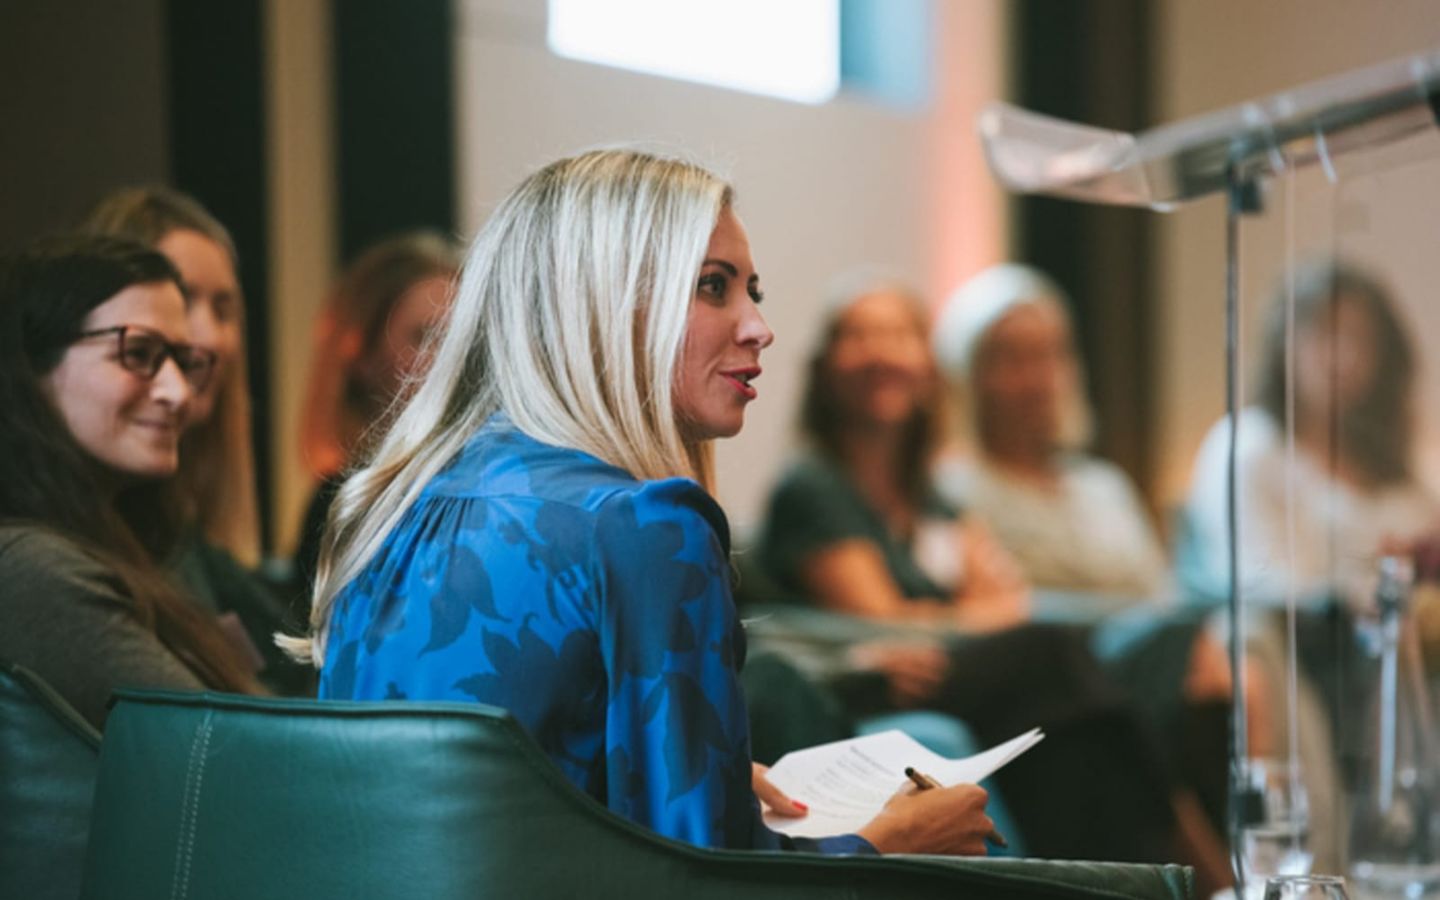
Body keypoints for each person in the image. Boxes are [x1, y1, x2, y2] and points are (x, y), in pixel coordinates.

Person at [288, 149, 993, 856]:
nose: (759, 326)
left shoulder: (389, 504)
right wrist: (891, 842)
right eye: (713, 287)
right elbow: (713, 882)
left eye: (752, 291)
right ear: (601, 303)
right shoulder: (646, 525)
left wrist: (707, 780)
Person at [756, 273, 1231, 890]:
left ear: (929, 367)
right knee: (1049, 651)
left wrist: (971, 612)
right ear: (825, 367)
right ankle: (1208, 875)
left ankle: (1163, 878)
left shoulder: (926, 495)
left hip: (945, 664)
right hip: (883, 678)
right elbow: (880, 618)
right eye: (859, 336)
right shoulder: (814, 488)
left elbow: (999, 593)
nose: (881, 353)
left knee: (1089, 720)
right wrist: (971, 613)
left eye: (899, 335)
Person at [0, 235, 262, 729]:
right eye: (139, 353)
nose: (178, 393)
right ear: (33, 367)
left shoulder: (134, 544)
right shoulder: (33, 570)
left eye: (183, 361)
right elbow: (222, 751)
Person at [83, 187, 306, 694]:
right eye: (182, 301)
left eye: (224, 309)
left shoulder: (184, 531)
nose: (209, 338)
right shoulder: (79, 548)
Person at [1184, 260, 1438, 608]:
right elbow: (1259, 582)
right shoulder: (1248, 446)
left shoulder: (1392, 455)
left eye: (1362, 339)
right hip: (1308, 638)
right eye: (1326, 334)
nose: (1345, 356)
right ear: (1285, 341)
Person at [930, 263, 1168, 600]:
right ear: (970, 374)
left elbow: (1161, 598)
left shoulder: (1105, 488)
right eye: (1012, 359)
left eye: (1048, 355)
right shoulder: (950, 491)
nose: (1037, 381)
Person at [292, 232, 459, 597]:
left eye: (460, 338)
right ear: (361, 356)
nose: (449, 358)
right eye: (425, 337)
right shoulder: (342, 506)